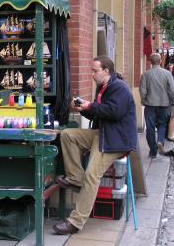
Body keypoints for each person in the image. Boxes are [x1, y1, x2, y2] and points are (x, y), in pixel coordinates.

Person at [53, 55, 138, 235]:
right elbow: (98, 114)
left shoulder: (119, 87)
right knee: (68, 135)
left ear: (106, 71)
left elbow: (114, 112)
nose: (92, 74)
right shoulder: (103, 87)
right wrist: (83, 110)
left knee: (92, 174)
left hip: (116, 140)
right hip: (103, 134)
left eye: (94, 70)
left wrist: (89, 105)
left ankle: (75, 222)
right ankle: (76, 178)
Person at [139, 53, 174, 157]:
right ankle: (160, 141)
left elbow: (142, 90)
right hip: (164, 104)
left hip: (150, 105)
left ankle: (153, 151)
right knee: (162, 125)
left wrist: (144, 100)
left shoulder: (146, 74)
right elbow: (172, 89)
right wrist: (172, 100)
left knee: (150, 128)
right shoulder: (167, 74)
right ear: (160, 61)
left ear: (150, 61)